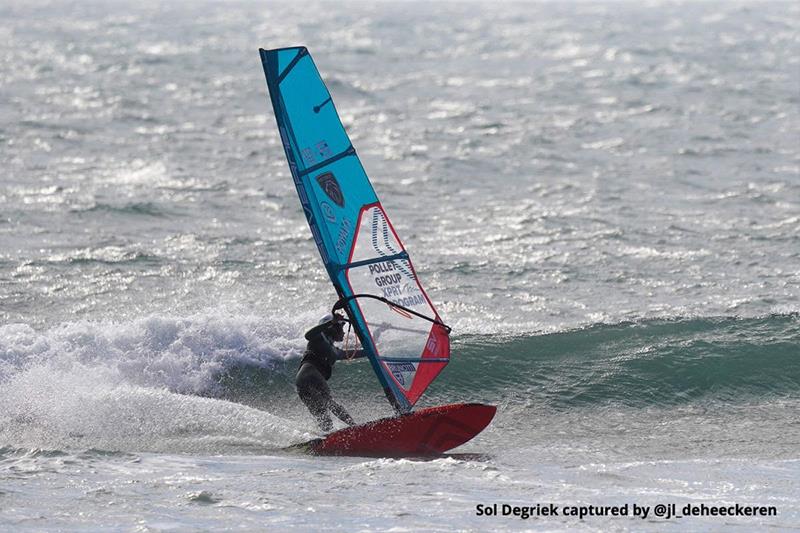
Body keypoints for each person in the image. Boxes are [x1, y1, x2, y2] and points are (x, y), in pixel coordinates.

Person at [296, 311, 365, 432]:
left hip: (301, 381)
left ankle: (327, 438)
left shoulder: (333, 349)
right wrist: (330, 323)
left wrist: (370, 352)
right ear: (332, 328)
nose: (344, 332)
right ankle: (355, 428)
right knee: (329, 402)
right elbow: (308, 335)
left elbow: (349, 354)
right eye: (341, 327)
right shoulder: (318, 338)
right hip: (310, 373)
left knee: (323, 417)